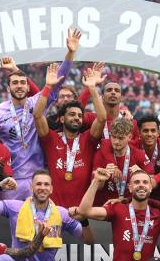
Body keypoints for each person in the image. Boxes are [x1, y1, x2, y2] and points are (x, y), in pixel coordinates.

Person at [0, 29, 80, 200]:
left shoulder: (36, 103)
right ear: (8, 88)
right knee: (14, 225)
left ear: (28, 86)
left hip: (38, 179)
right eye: (15, 83)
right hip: (11, 180)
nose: (19, 86)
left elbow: (57, 79)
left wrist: (70, 53)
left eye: (23, 83)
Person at [34, 62, 106, 207]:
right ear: (62, 119)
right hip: (53, 211)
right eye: (72, 114)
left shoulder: (87, 139)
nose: (76, 118)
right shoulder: (51, 139)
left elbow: (102, 118)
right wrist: (48, 87)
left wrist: (92, 87)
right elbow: (37, 115)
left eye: (79, 116)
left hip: (81, 212)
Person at [92, 117, 153, 206]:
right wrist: (101, 179)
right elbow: (96, 188)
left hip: (129, 206)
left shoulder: (139, 155)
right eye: (113, 137)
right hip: (104, 207)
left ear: (129, 137)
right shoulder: (100, 154)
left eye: (121, 138)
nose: (116, 141)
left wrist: (142, 174)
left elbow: (152, 183)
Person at [131, 115, 160, 198]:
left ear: (158, 133)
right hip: (139, 188)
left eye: (153, 130)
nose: (149, 134)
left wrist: (155, 180)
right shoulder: (132, 146)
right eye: (145, 131)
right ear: (139, 133)